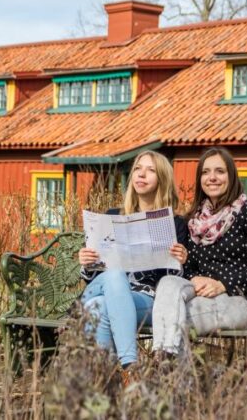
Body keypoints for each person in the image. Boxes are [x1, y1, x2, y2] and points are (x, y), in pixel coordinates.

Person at [151, 146, 247, 355]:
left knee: (174, 317)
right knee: (169, 283)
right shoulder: (194, 220)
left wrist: (221, 283)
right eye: (206, 172)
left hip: (241, 300)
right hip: (200, 296)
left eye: (220, 171)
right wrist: (189, 270)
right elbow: (189, 270)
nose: (212, 178)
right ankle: (170, 368)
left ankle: (167, 371)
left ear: (231, 176)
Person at [77, 150, 189, 375]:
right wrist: (86, 261)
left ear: (162, 179)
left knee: (96, 308)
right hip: (105, 285)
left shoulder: (175, 223)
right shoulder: (112, 215)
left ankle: (104, 382)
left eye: (150, 170)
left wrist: (180, 261)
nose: (141, 174)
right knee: (115, 275)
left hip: (146, 299)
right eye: (138, 168)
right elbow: (92, 274)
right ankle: (131, 366)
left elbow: (172, 282)